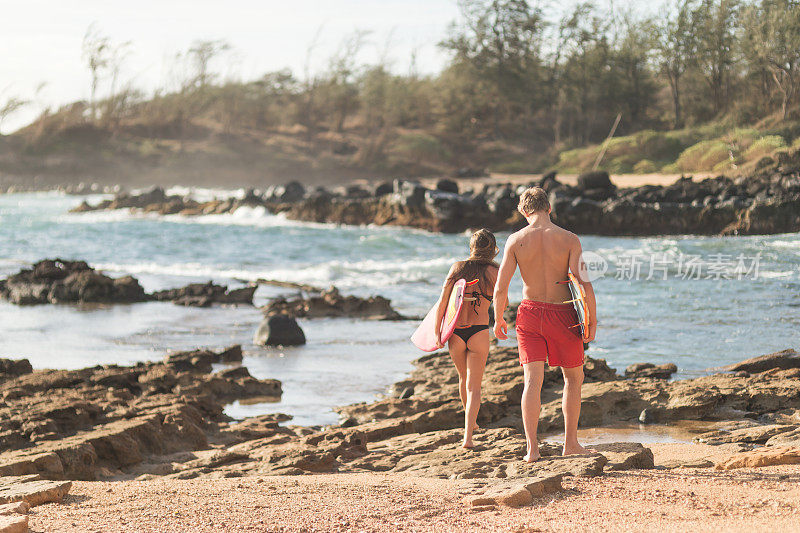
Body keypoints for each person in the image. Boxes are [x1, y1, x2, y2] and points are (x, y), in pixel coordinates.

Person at [493, 187, 597, 462]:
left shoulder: (515, 240)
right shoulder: (569, 239)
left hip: (528, 313)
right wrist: (592, 321)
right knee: (573, 378)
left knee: (532, 381)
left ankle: (532, 450)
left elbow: (501, 288)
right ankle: (571, 444)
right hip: (563, 315)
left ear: (523, 211)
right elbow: (584, 283)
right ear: (549, 208)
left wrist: (498, 318)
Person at [434, 229, 499, 449]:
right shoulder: (495, 272)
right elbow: (502, 302)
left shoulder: (457, 268)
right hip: (479, 331)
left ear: (472, 247)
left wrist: (437, 333)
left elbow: (442, 303)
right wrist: (499, 321)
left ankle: (471, 426)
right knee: (474, 386)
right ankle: (468, 437)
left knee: (464, 379)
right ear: (493, 250)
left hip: (456, 333)